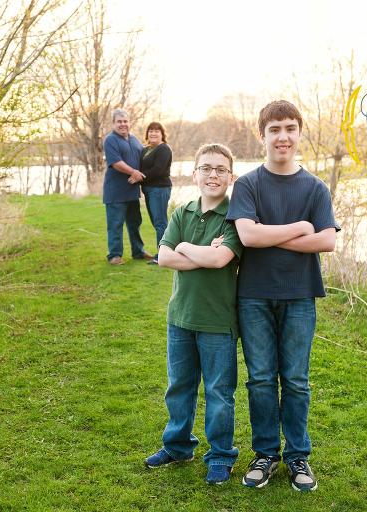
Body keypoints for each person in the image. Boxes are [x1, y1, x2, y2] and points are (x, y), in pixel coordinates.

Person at [226, 100, 340, 491]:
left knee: (294, 380)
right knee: (259, 379)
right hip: (253, 296)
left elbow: (326, 241)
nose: (283, 136)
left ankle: (297, 457)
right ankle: (265, 454)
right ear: (262, 136)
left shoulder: (315, 187)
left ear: (299, 132)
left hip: (299, 296)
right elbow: (247, 236)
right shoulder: (248, 184)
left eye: (290, 128)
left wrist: (273, 236)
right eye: (274, 129)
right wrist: (299, 228)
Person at [144, 143, 242, 485]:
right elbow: (165, 257)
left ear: (231, 176)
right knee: (179, 386)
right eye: (206, 168)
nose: (212, 175)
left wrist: (183, 249)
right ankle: (177, 445)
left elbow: (220, 260)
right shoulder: (182, 212)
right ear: (194, 172)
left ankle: (220, 455)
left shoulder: (236, 216)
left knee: (218, 392)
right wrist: (191, 249)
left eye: (220, 169)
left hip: (217, 321)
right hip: (180, 317)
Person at [102, 108, 153, 265]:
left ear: (129, 123)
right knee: (115, 224)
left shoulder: (134, 139)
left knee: (135, 222)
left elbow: (143, 156)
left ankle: (138, 251)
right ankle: (114, 255)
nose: (123, 124)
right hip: (115, 192)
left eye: (125, 121)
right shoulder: (110, 140)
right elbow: (116, 163)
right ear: (113, 123)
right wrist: (134, 172)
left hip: (132, 191)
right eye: (119, 122)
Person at [138, 122, 173, 265]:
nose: (153, 133)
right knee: (156, 222)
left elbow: (158, 170)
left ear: (162, 134)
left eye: (156, 131)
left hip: (160, 189)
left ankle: (162, 256)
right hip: (149, 189)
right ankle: (165, 252)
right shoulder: (146, 150)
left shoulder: (164, 149)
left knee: (160, 223)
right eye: (150, 131)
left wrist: (139, 176)